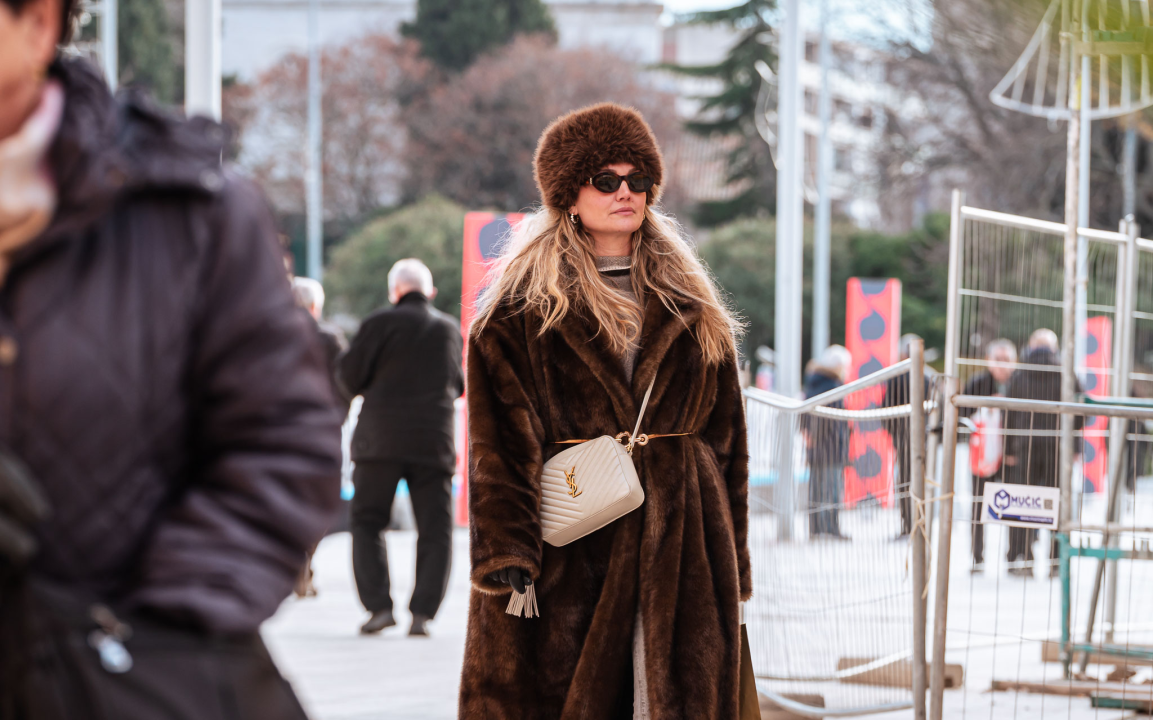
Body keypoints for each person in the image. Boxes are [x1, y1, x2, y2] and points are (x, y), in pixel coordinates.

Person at [0, 0, 344, 715]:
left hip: (125, 684)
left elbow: (282, 447)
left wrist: (147, 639)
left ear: (38, 23)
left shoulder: (192, 211)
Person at [460, 103, 751, 719]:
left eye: (639, 180)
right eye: (607, 180)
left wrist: (735, 562)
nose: (627, 193)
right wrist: (507, 552)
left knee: (676, 693)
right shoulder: (519, 315)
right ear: (568, 195)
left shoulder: (694, 308)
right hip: (575, 542)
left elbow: (728, 444)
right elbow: (499, 447)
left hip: (685, 537)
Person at [337, 259, 464, 637]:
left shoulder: (377, 323)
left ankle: (379, 608)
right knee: (435, 528)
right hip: (432, 441)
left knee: (367, 522)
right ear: (430, 293)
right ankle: (423, 614)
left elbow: (348, 376)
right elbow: (457, 384)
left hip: (380, 440)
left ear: (394, 292)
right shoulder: (448, 328)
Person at [1004, 328, 1081, 577]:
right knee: (1057, 504)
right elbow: (1082, 411)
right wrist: (1071, 441)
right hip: (1058, 449)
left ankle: (1022, 558)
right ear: (1054, 348)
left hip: (1024, 448)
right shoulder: (1066, 373)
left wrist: (1009, 448)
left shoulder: (1019, 374)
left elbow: (1008, 414)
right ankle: (1056, 561)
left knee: (1024, 501)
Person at [291, 277, 350, 598]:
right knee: (320, 503)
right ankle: (304, 563)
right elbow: (348, 381)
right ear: (316, 306)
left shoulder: (271, 336)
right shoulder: (330, 338)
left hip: (278, 433)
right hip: (320, 435)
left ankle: (297, 567)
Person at [960, 338, 1016, 573]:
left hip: (1011, 455)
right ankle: (977, 556)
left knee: (1014, 505)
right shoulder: (978, 383)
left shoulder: (1019, 383)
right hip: (982, 455)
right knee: (978, 505)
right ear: (988, 361)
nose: (1002, 365)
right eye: (997, 359)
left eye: (1006, 360)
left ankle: (1015, 556)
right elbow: (963, 414)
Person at [883, 334, 933, 538]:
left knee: (904, 482)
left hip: (904, 438)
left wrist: (895, 434)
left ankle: (907, 525)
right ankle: (921, 524)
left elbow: (885, 411)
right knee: (923, 481)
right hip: (923, 438)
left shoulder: (896, 377)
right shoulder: (928, 377)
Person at [802, 346, 853, 540]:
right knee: (831, 489)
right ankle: (830, 528)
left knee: (817, 488)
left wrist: (810, 436)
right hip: (831, 447)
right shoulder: (832, 386)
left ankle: (816, 529)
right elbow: (831, 422)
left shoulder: (813, 382)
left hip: (816, 447)